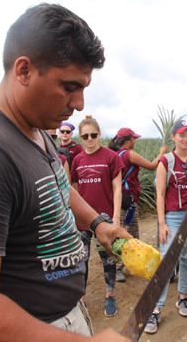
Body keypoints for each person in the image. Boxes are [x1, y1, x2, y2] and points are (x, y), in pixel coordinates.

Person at [0, 4, 131, 341]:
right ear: (24, 70)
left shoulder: (35, 128)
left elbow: (56, 186)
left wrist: (98, 223)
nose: (80, 104)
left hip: (63, 316)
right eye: (70, 86)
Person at [144, 120, 187, 334]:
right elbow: (160, 194)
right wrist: (161, 223)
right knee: (166, 261)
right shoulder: (166, 162)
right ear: (173, 137)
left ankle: (183, 298)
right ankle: (156, 309)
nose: (186, 139)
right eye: (181, 135)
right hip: (172, 217)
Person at [70, 115, 124, 317]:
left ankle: (110, 295)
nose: (90, 139)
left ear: (99, 134)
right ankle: (81, 299)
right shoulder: (77, 160)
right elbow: (74, 189)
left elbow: (117, 188)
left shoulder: (111, 156)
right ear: (81, 137)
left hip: (105, 218)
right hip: (82, 220)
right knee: (80, 260)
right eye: (85, 136)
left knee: (108, 259)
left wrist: (116, 217)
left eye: (93, 134)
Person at [108, 127, 168, 282]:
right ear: (127, 140)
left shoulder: (113, 155)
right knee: (127, 232)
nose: (135, 141)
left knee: (126, 231)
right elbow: (152, 165)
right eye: (133, 138)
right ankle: (119, 267)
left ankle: (129, 264)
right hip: (128, 200)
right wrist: (162, 153)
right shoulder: (129, 154)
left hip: (119, 199)